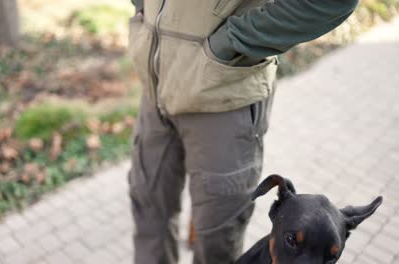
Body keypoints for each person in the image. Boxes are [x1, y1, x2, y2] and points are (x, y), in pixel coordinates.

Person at [127, 0, 359, 263]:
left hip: (223, 94)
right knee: (149, 214)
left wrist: (231, 42)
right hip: (154, 89)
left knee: (216, 240)